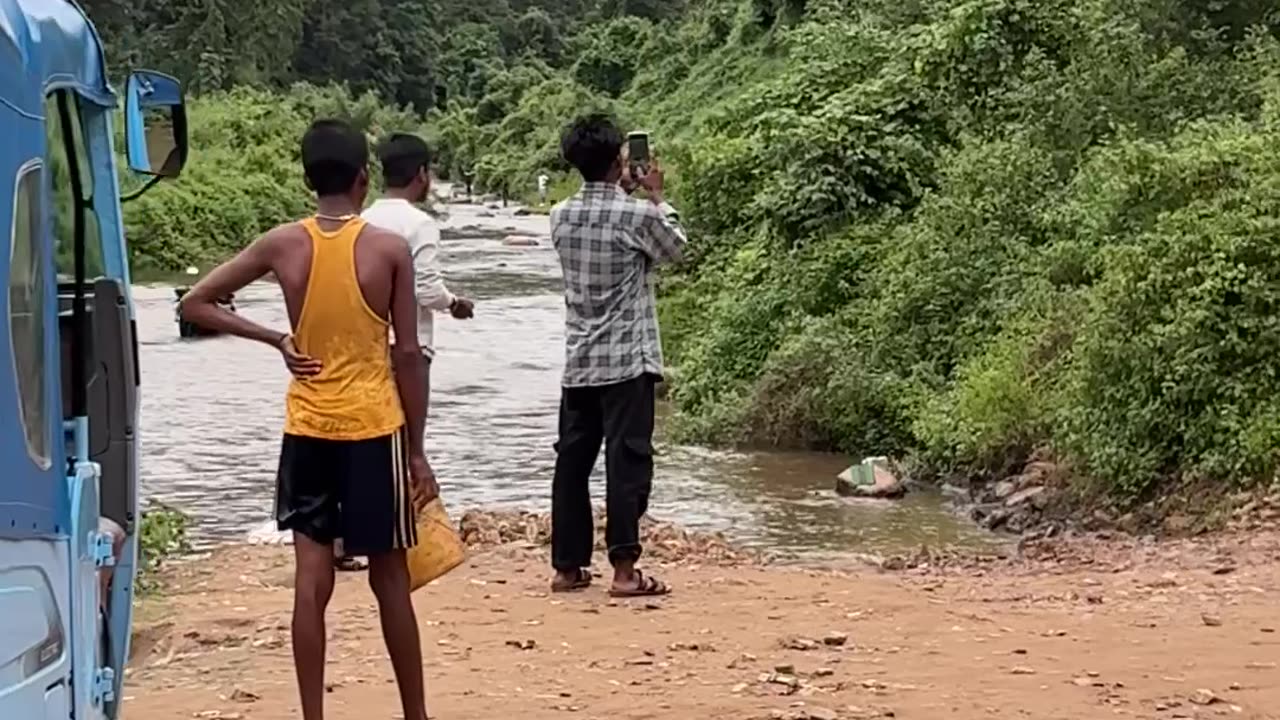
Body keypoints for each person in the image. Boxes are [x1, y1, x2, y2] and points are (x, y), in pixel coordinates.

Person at [179, 119, 434, 720]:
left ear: (306, 179)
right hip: (375, 428)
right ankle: (415, 715)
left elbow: (196, 302)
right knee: (390, 580)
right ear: (363, 178)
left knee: (311, 581)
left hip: (308, 430)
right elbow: (407, 354)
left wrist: (275, 338)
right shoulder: (388, 250)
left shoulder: (283, 244)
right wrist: (417, 450)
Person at [548, 113, 686, 597]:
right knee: (626, 462)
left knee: (572, 463)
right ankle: (624, 571)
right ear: (617, 161)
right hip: (627, 360)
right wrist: (657, 195)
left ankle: (567, 568)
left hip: (580, 360)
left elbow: (602, 219)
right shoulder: (639, 214)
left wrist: (620, 188)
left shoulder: (559, 216)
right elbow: (676, 248)